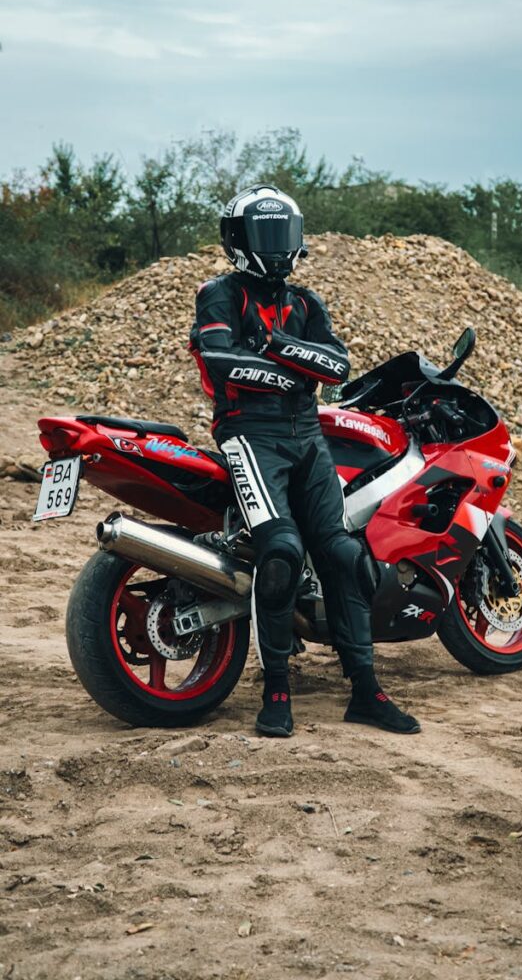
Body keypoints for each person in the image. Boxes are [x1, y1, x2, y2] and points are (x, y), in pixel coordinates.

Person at [189, 183, 420, 738]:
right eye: (265, 233)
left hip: (308, 435)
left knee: (345, 554)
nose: (277, 244)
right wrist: (296, 370)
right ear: (238, 240)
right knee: (281, 554)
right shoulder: (218, 293)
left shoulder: (307, 302)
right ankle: (276, 691)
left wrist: (272, 347)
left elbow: (337, 367)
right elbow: (220, 359)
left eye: (283, 232)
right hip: (248, 434)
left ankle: (366, 691)